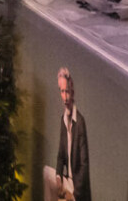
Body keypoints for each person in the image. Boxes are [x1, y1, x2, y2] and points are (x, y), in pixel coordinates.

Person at [42, 68, 89, 201]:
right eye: (62, 92)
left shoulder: (79, 122)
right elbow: (60, 156)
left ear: (72, 92)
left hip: (76, 188)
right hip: (66, 180)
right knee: (46, 172)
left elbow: (84, 166)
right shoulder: (63, 119)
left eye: (67, 91)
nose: (65, 96)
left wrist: (73, 194)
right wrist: (58, 180)